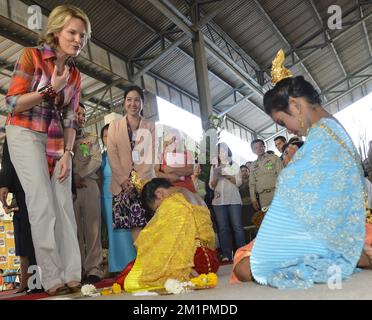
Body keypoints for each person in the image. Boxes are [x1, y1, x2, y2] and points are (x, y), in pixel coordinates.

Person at [230, 50, 372, 289]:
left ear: (295, 106)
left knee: (247, 266)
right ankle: (355, 254)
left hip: (330, 229)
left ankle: (351, 254)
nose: (288, 130)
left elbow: (299, 188)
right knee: (245, 265)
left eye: (282, 122)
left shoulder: (323, 134)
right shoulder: (328, 129)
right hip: (335, 226)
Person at [4, 5, 90, 295]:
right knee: (41, 203)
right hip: (25, 133)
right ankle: (52, 278)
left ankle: (72, 274)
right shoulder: (32, 56)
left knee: (63, 203)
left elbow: (70, 118)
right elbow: (12, 103)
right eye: (72, 32)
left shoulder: (76, 75)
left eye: (83, 35)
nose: (78, 39)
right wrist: (49, 89)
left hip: (56, 142)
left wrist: (68, 153)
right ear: (56, 31)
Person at [123, 178, 217, 293]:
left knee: (131, 273)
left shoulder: (172, 201)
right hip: (211, 261)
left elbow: (156, 237)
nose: (160, 211)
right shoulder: (196, 197)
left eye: (158, 208)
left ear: (159, 194)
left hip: (193, 262)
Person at [107, 85, 156, 241]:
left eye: (137, 100)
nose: (132, 104)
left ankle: (155, 263)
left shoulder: (150, 126)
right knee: (134, 225)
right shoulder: (114, 126)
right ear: (124, 102)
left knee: (151, 224)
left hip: (145, 183)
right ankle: (142, 262)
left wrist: (137, 181)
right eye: (129, 100)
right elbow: (112, 154)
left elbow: (151, 155)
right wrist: (123, 180)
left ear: (142, 103)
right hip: (122, 186)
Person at [0, 139, 37, 294]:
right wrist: (4, 183)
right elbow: (7, 159)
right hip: (22, 188)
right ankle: (35, 282)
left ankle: (54, 278)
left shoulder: (46, 119)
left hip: (47, 181)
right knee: (29, 240)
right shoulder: (11, 127)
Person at [72, 103, 103, 284]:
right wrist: (72, 180)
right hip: (69, 188)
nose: (81, 117)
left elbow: (96, 159)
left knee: (93, 229)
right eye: (77, 113)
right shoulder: (61, 136)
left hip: (89, 185)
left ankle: (94, 270)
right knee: (73, 230)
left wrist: (79, 176)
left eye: (83, 114)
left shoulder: (91, 137)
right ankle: (77, 270)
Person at [100, 124, 136, 274]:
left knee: (125, 229)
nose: (108, 139)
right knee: (111, 230)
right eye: (105, 136)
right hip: (106, 197)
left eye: (111, 135)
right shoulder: (101, 157)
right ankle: (115, 265)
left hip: (122, 194)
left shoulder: (125, 154)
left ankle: (131, 262)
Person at [209, 142, 245, 262]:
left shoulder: (233, 164)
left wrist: (226, 174)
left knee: (237, 227)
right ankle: (226, 254)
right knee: (223, 228)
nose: (222, 153)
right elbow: (211, 185)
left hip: (234, 200)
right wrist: (216, 177)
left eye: (224, 151)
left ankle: (241, 253)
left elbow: (239, 182)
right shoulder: (214, 166)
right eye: (219, 152)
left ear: (228, 151)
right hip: (218, 201)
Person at [249, 139, 283, 211]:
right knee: (268, 219)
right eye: (255, 147)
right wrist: (253, 199)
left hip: (276, 193)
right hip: (263, 197)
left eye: (261, 146)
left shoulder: (274, 158)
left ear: (264, 147)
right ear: (252, 150)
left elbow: (282, 175)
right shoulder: (253, 165)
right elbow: (252, 184)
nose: (259, 149)